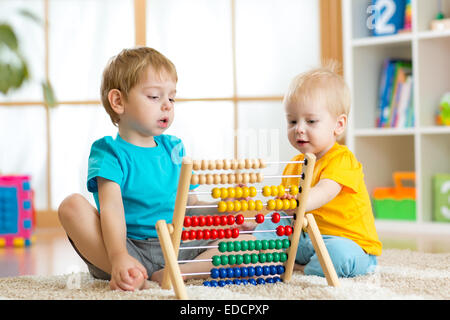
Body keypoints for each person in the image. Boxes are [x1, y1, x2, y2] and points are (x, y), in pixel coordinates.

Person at [57, 47, 241, 291]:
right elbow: (111, 208)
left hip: (177, 244)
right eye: (155, 97)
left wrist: (224, 208)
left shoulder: (174, 147)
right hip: (125, 246)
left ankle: (177, 274)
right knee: (71, 206)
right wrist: (119, 254)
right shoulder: (109, 152)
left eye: (171, 98)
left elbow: (189, 205)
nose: (167, 105)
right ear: (118, 101)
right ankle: (127, 271)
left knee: (243, 241)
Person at [253, 64, 382, 278]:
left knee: (336, 255)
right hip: (305, 237)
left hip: (347, 242)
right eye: (292, 121)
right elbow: (284, 209)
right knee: (269, 225)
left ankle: (303, 268)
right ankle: (298, 260)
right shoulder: (295, 164)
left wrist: (295, 201)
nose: (299, 128)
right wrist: (276, 207)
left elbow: (323, 192)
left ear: (338, 125)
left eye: (311, 121)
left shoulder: (343, 160)